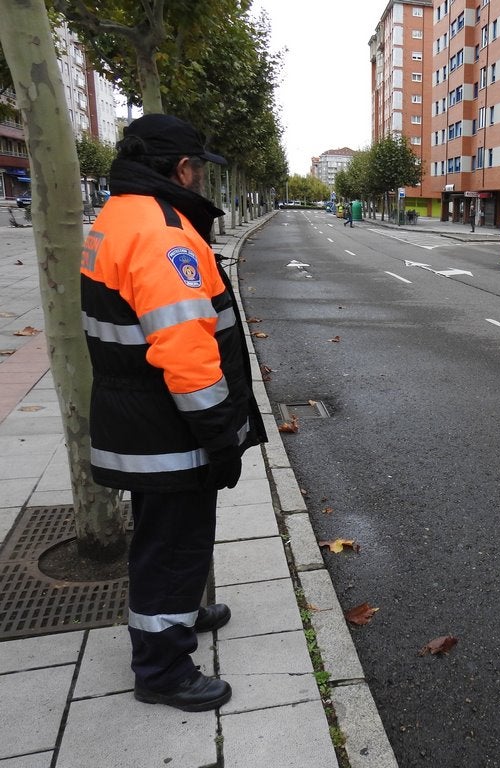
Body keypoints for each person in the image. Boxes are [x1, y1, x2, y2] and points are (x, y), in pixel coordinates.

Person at [80, 114, 267, 712]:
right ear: (182, 169)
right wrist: (219, 437)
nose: (203, 182)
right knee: (174, 544)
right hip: (168, 428)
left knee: (164, 538)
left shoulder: (118, 216)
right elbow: (186, 353)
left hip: (138, 416)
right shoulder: (164, 236)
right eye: (199, 170)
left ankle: (177, 616)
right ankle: (162, 668)